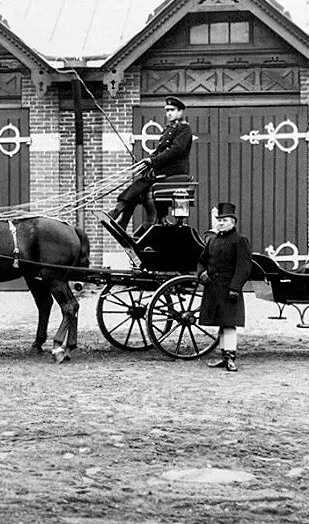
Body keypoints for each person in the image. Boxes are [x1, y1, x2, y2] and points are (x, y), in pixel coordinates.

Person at [103, 95, 193, 230]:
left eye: (172, 110)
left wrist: (153, 161)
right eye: (167, 110)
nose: (169, 113)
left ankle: (118, 211)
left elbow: (175, 151)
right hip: (166, 169)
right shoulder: (169, 129)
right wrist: (147, 162)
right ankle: (124, 220)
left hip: (175, 170)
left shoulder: (184, 129)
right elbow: (160, 150)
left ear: (180, 111)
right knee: (140, 186)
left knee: (141, 183)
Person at [196, 202, 252, 372]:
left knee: (229, 324)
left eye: (225, 220)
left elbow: (244, 267)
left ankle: (231, 358)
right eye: (219, 220)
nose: (221, 223)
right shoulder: (212, 240)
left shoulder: (240, 240)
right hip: (213, 289)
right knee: (222, 322)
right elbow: (201, 261)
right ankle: (223, 357)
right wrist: (201, 273)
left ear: (233, 222)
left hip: (229, 290)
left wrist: (235, 288)